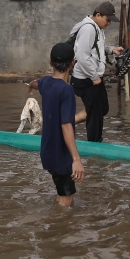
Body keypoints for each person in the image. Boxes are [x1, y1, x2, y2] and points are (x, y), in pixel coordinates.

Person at [28, 43, 84, 207]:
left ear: (50, 62)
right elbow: (66, 125)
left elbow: (35, 82)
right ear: (73, 63)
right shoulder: (66, 90)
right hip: (61, 155)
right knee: (67, 199)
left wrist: (30, 87)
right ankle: (59, 229)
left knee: (63, 194)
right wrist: (76, 159)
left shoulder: (46, 83)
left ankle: (57, 222)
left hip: (47, 152)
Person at [68, 1, 123, 142]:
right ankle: (94, 142)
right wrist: (93, 76)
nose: (109, 23)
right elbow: (82, 55)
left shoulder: (96, 28)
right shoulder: (88, 29)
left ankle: (67, 123)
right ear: (98, 15)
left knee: (102, 108)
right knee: (95, 112)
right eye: (108, 19)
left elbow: (97, 46)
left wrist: (111, 49)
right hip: (85, 78)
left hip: (92, 76)